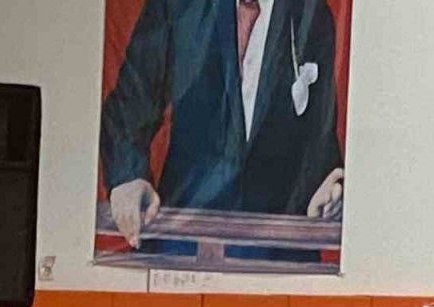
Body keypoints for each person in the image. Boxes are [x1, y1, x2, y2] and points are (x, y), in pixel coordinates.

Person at [100, 0, 345, 260]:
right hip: (181, 240)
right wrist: (128, 178)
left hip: (278, 248)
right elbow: (129, 106)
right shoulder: (177, 5)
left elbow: (320, 137)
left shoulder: (312, 13)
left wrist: (327, 187)